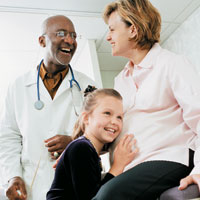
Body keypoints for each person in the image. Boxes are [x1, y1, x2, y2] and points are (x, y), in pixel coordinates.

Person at [92, 0, 200, 199]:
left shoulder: (172, 64)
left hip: (169, 157)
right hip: (133, 167)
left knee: (107, 196)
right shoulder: (120, 80)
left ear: (132, 29)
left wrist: (199, 171)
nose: (108, 37)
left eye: (112, 30)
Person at [0, 15, 97, 200]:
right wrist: (13, 175)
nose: (69, 40)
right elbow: (8, 137)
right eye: (61, 33)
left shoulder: (88, 86)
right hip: (32, 185)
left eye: (74, 35)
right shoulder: (18, 86)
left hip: (76, 183)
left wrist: (75, 143)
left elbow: (102, 134)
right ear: (42, 41)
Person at [46, 88, 138, 200]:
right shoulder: (82, 147)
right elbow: (94, 198)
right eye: (107, 113)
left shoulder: (86, 148)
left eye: (119, 117)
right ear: (86, 118)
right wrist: (117, 166)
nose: (114, 121)